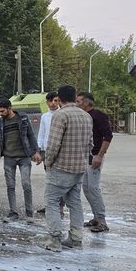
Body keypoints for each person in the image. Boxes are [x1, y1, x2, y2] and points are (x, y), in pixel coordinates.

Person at [43, 85, 93, 252]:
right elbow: (90, 144)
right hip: (79, 168)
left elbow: (53, 143)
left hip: (61, 168)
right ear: (74, 97)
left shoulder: (60, 115)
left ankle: (54, 241)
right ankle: (76, 239)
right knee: (75, 203)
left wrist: (48, 161)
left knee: (51, 202)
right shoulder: (86, 116)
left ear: (60, 98)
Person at [0, 99, 42, 223]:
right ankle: (13, 213)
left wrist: (36, 151)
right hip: (9, 158)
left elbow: (30, 134)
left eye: (2, 111)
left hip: (24, 157)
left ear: (10, 108)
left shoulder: (23, 118)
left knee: (26, 184)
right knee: (10, 186)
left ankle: (29, 213)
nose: (0, 113)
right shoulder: (0, 122)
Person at [76, 92, 114, 233]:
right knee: (86, 187)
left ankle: (102, 221)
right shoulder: (82, 117)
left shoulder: (98, 116)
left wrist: (100, 155)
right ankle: (96, 217)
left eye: (79, 101)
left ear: (86, 102)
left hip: (95, 156)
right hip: (85, 157)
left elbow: (108, 136)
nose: (77, 103)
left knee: (93, 187)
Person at [36, 92, 65, 217]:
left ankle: (60, 206)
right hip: (47, 151)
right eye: (51, 101)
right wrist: (39, 150)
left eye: (56, 100)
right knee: (49, 179)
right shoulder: (45, 116)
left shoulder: (63, 114)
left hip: (61, 152)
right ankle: (50, 204)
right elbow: (41, 134)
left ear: (59, 101)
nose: (53, 103)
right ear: (47, 102)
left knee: (61, 180)